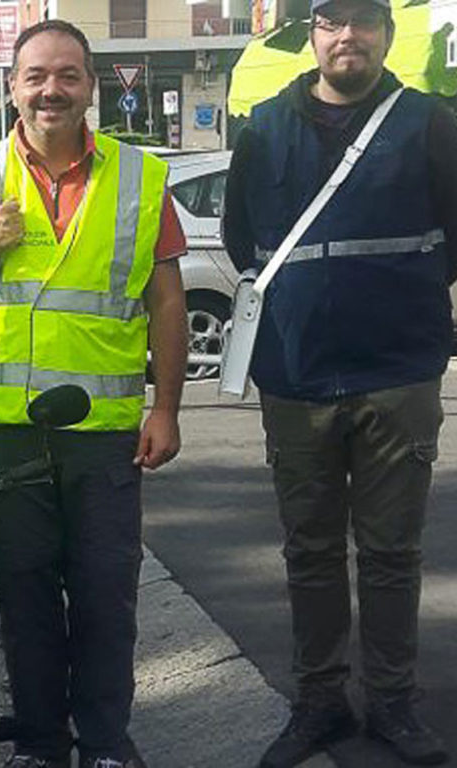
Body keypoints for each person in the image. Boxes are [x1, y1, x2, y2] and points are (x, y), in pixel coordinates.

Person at [0, 19, 188, 768]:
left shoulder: (140, 178)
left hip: (103, 431)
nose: (51, 90)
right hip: (3, 431)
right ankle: (42, 741)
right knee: (26, 596)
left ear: (91, 88)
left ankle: (103, 742)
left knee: (106, 596)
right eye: (36, 76)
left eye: (68, 75)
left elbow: (166, 302)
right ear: (13, 88)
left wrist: (165, 407)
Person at [222, 0, 457, 765]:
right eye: (331, 21)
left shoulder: (430, 123)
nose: (346, 36)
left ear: (385, 34)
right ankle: (320, 701)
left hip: (398, 371)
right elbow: (239, 236)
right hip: (294, 374)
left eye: (363, 20)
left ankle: (392, 703)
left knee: (392, 552)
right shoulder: (261, 127)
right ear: (311, 35)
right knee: (310, 551)